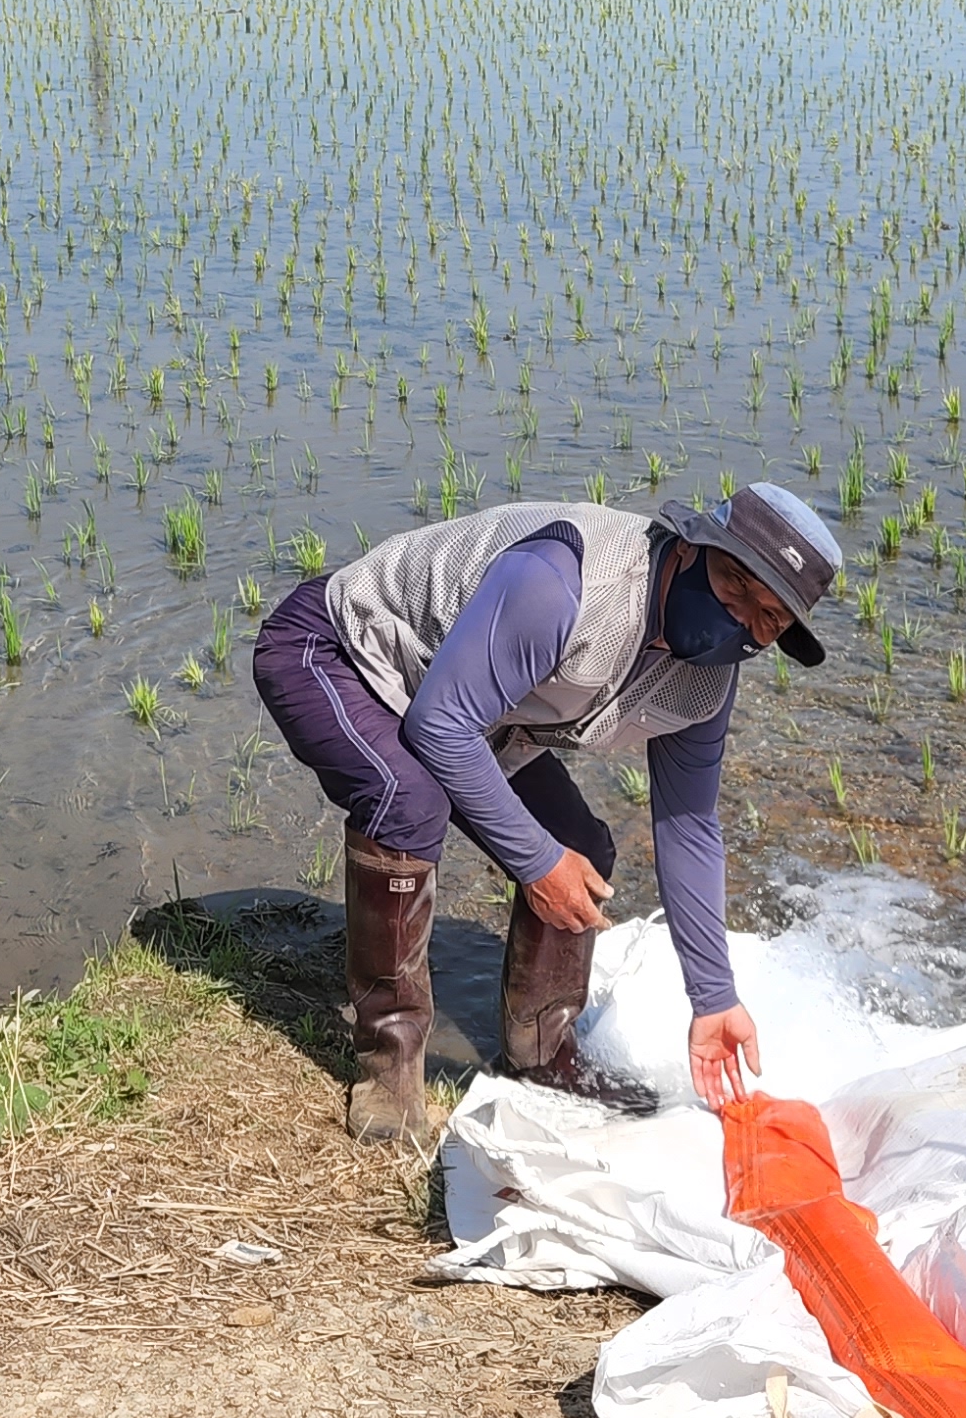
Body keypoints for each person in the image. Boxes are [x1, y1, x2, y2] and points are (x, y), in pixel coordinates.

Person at [249, 484, 842, 1141]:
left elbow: (690, 827)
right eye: (734, 582)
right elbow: (441, 728)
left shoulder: (705, 681)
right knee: (407, 800)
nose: (739, 620)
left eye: (768, 618)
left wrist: (714, 998)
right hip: (342, 652)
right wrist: (535, 865)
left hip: (470, 704)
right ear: (693, 548)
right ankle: (389, 1068)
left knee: (579, 849)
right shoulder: (568, 584)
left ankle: (542, 1056)